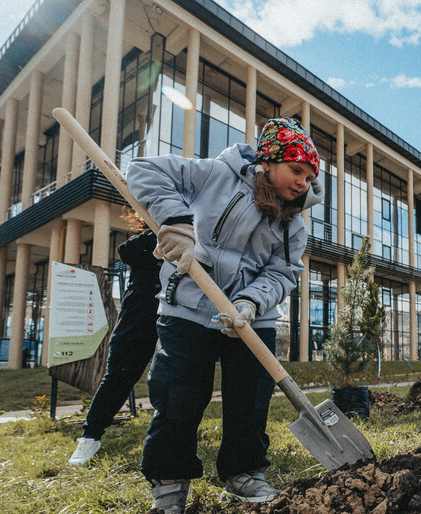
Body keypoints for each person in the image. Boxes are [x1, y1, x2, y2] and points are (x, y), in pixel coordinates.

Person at [126, 118, 322, 513]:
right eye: (296, 170)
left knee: (250, 401)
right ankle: (170, 481)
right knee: (179, 396)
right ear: (268, 161)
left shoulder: (294, 223)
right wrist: (177, 222)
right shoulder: (215, 173)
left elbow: (282, 273)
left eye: (309, 175)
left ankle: (244, 473)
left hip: (252, 317)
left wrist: (250, 303)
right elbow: (142, 170)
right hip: (189, 305)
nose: (303, 182)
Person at [67, 210, 162, 466]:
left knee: (175, 381)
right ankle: (90, 437)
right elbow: (126, 252)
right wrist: (166, 230)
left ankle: (172, 440)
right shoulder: (145, 241)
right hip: (139, 319)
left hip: (176, 317)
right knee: (118, 376)